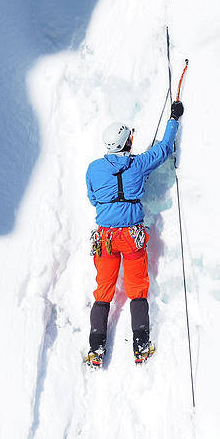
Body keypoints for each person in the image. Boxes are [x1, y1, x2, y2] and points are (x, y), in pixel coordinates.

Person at [84, 100, 184, 367]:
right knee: (137, 289)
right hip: (131, 237)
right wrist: (174, 118)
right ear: (127, 143)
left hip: (105, 239)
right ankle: (140, 346)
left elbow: (93, 199)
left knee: (103, 290)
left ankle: (96, 350)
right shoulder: (139, 165)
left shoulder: (94, 169)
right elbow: (164, 148)